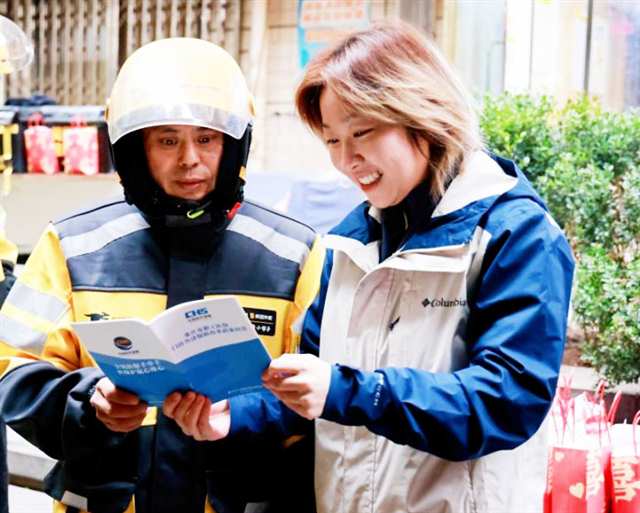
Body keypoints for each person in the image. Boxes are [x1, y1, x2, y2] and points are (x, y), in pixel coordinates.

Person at [166, 22, 576, 513]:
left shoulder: (515, 235)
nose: (348, 160)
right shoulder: (348, 243)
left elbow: (507, 400)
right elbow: (310, 387)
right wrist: (235, 415)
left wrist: (354, 392)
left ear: (422, 115)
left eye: (362, 133)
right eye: (332, 140)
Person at [0, 37, 323, 513]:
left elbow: (322, 393)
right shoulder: (73, 245)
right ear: (135, 150)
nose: (189, 158)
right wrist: (90, 403)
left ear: (234, 145)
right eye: (168, 140)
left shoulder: (293, 252)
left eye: (207, 138)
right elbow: (13, 370)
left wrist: (239, 416)